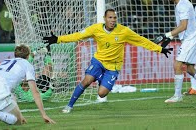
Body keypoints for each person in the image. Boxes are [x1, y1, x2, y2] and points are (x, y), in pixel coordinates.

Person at [43, 8, 173, 113]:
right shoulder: (96, 29)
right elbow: (78, 35)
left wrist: (160, 49)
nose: (112, 20)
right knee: (86, 80)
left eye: (114, 18)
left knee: (101, 94)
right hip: (98, 61)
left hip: (113, 67)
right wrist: (58, 39)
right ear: (105, 19)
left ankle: (100, 77)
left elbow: (141, 40)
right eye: (110, 17)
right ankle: (69, 106)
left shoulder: (124, 31)